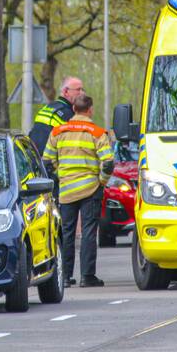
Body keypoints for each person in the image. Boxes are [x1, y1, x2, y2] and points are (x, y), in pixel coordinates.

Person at [43, 94, 113, 288]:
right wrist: (102, 182)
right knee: (89, 232)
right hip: (90, 188)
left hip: (66, 189)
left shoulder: (57, 131)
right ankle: (87, 276)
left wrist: (60, 176)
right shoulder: (97, 132)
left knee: (67, 232)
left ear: (73, 109)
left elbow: (47, 160)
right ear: (90, 110)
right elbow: (108, 163)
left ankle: (65, 277)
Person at [29, 76, 84, 156]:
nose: (82, 93)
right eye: (78, 90)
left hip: (34, 158)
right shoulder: (68, 114)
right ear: (66, 92)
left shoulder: (47, 107)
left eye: (82, 90)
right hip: (50, 162)